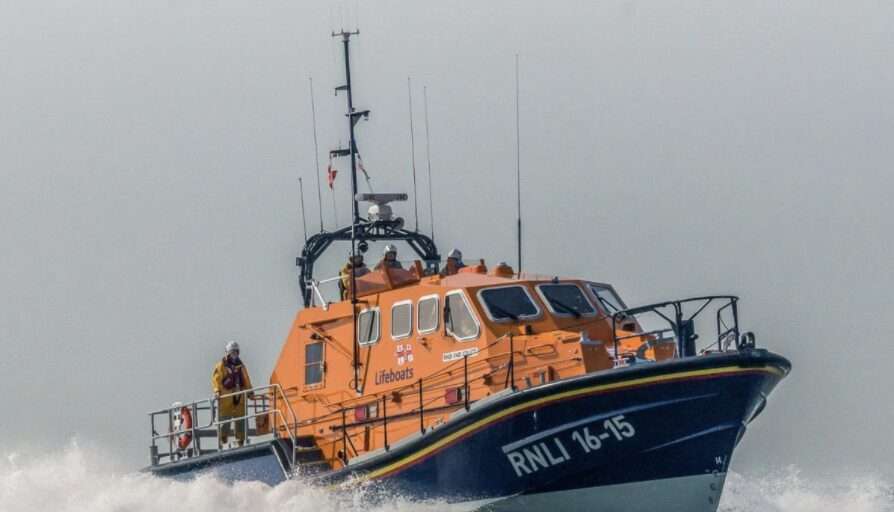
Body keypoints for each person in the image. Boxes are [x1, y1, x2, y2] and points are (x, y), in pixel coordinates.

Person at [211, 341, 253, 447]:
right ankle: (222, 441)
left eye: (236, 352)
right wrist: (217, 391)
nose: (234, 354)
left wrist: (250, 392)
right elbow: (216, 380)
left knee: (241, 421)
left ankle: (241, 441)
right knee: (224, 421)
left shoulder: (241, 366)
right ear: (228, 353)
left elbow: (246, 379)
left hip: (239, 397)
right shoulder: (221, 366)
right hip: (226, 398)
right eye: (232, 352)